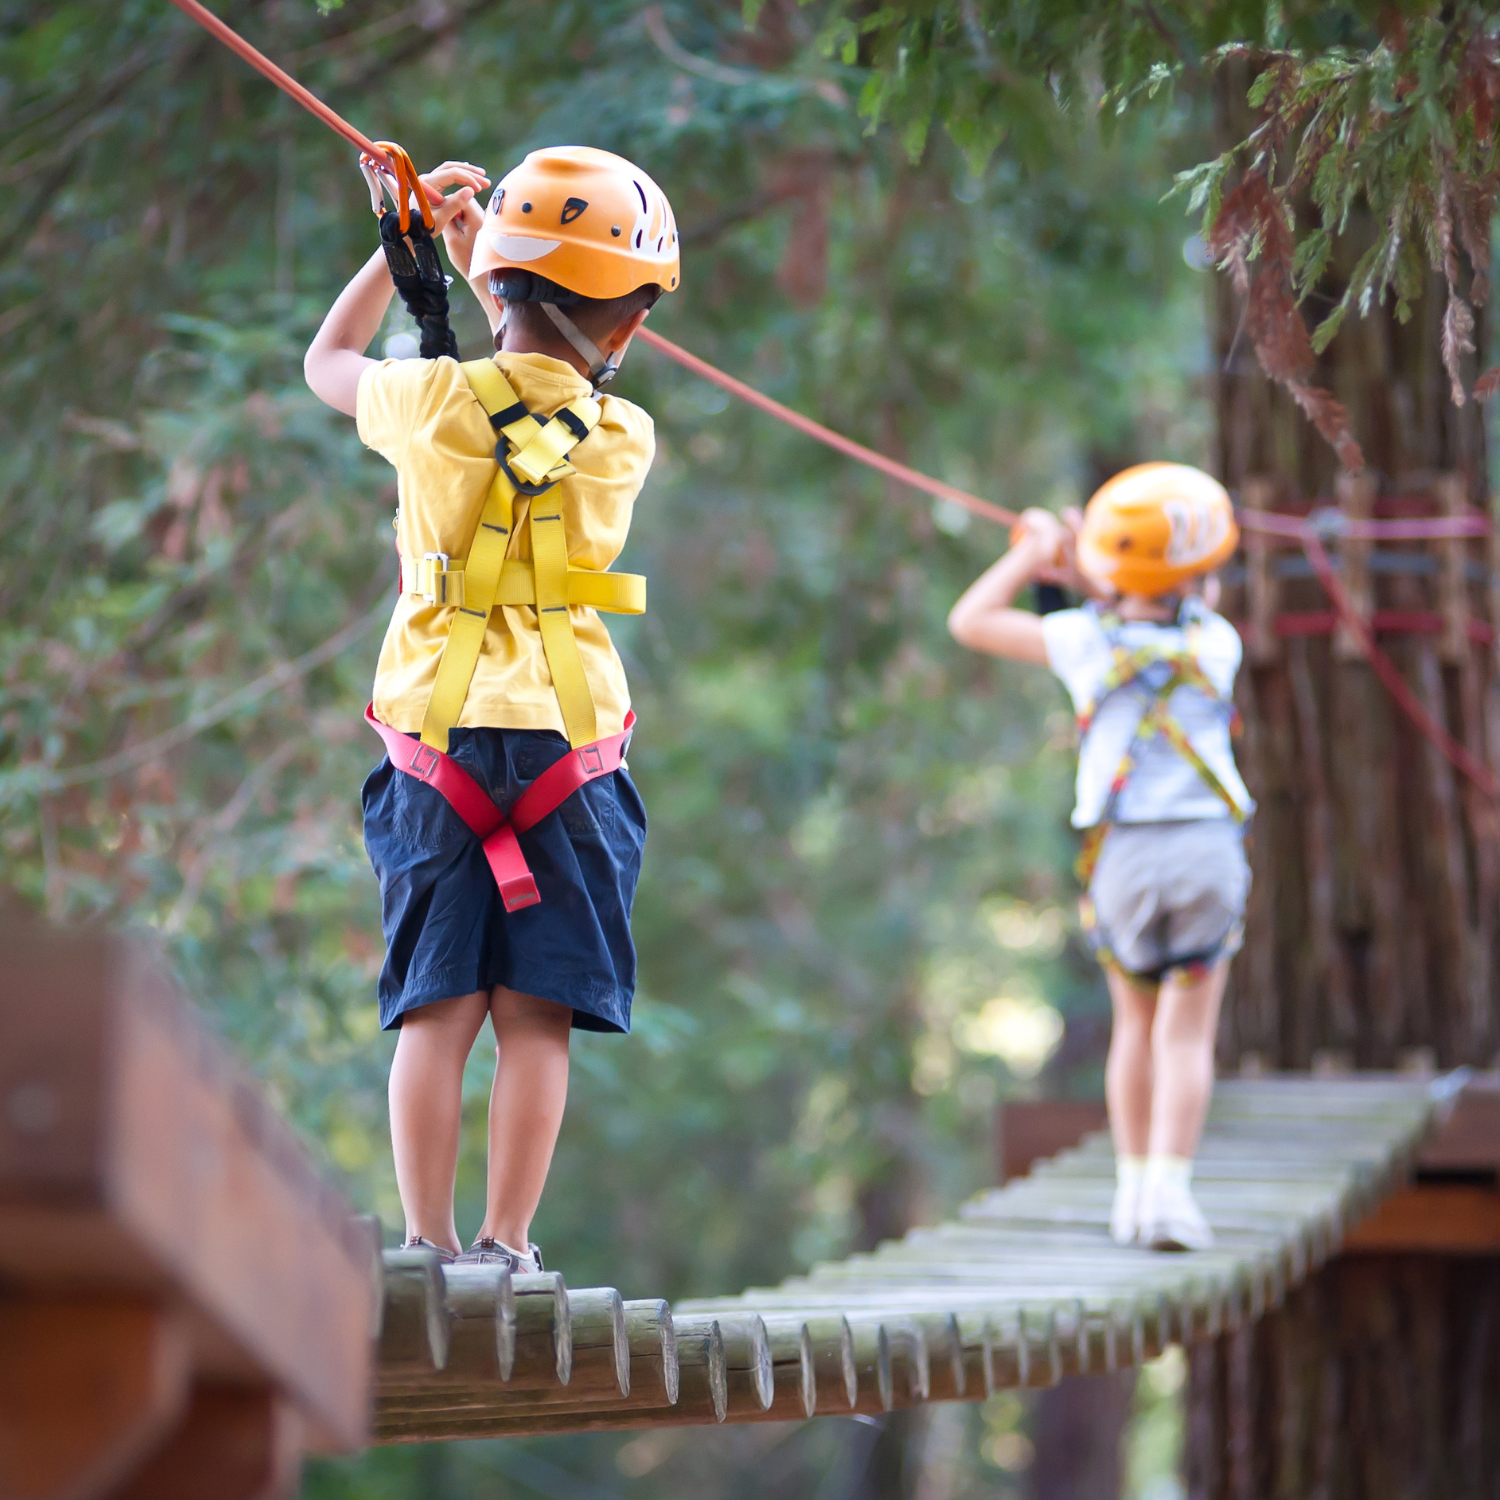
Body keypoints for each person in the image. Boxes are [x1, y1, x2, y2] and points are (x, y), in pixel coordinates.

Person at [304, 146, 680, 1272]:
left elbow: (325, 360)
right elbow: (558, 381)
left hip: (439, 746)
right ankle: (505, 1245)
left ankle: (422, 1240)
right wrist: (482, 265)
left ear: (505, 285)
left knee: (438, 1011)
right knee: (536, 1019)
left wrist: (399, 247)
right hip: (572, 750)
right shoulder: (624, 438)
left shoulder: (425, 403)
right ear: (631, 325)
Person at [947, 464, 1251, 1251]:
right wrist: (1088, 553)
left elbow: (972, 620)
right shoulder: (1218, 643)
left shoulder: (1081, 642)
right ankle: (1171, 1195)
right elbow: (1159, 583)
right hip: (1206, 854)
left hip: (1122, 858)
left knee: (1134, 1028)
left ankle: (1129, 1194)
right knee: (1186, 1035)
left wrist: (1035, 552)